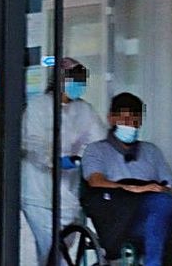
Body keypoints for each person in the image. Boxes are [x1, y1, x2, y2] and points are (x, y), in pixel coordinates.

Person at [82, 93, 172, 266]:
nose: (130, 124)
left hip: (159, 212)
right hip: (121, 217)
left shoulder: (151, 151)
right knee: (161, 202)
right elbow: (95, 180)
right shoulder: (96, 150)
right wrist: (134, 188)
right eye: (125, 119)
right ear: (111, 119)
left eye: (135, 119)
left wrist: (167, 189)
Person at [21, 58, 107, 265]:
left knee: (63, 248)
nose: (78, 86)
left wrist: (89, 159)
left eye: (81, 81)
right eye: (74, 80)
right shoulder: (39, 106)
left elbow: (99, 142)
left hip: (68, 192)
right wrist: (55, 159)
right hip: (38, 192)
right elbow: (32, 142)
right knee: (50, 249)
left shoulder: (84, 110)